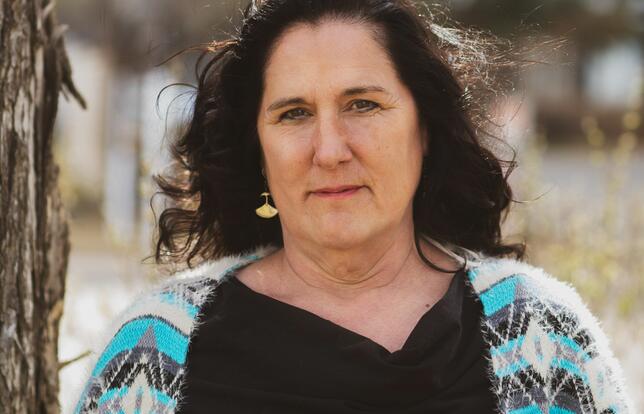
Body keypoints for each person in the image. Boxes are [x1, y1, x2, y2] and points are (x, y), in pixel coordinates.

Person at [72, 0, 634, 413]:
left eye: (362, 105)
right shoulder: (150, 357)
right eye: (294, 113)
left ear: (425, 129)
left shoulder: (545, 338)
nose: (330, 150)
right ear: (259, 152)